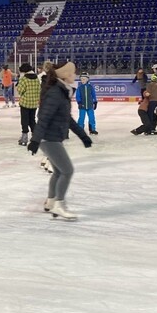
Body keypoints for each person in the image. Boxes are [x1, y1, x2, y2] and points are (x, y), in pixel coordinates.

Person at [27, 61, 93, 221]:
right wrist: (35, 140)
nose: (75, 76)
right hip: (48, 138)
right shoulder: (56, 92)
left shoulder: (61, 91)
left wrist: (82, 135)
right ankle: (59, 204)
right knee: (67, 170)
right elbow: (44, 117)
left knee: (58, 171)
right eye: (72, 73)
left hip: (52, 137)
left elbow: (67, 119)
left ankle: (50, 201)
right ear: (65, 75)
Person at [16, 63, 41, 146]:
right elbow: (39, 90)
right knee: (32, 120)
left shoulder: (24, 79)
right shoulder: (36, 78)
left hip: (25, 103)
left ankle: (24, 137)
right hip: (34, 103)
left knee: (24, 120)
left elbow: (20, 90)